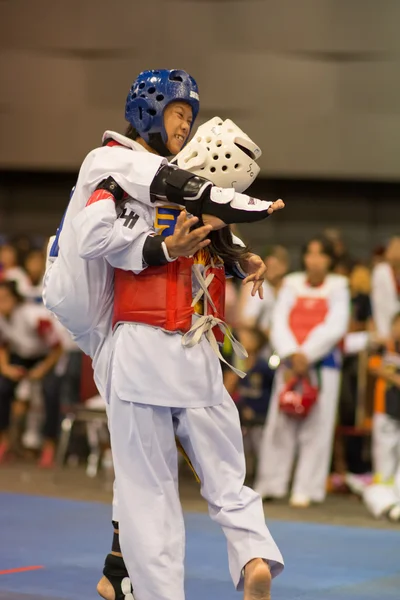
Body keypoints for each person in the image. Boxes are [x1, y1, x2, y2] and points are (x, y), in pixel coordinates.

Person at [44, 69, 284, 600]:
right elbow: (96, 235)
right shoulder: (110, 162)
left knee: (143, 486)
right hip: (146, 333)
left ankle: (134, 581)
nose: (185, 123)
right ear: (148, 111)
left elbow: (172, 224)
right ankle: (250, 553)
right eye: (178, 112)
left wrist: (232, 256)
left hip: (136, 338)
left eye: (190, 117)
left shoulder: (159, 183)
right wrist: (232, 246)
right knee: (220, 472)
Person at [254, 236, 350, 507]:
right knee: (279, 424)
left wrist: (306, 354)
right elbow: (279, 320)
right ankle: (271, 483)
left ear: (330, 260)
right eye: (310, 254)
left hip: (321, 365)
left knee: (317, 428)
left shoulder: (339, 286)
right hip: (289, 361)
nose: (314, 260)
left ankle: (307, 488)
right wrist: (291, 353)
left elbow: (335, 325)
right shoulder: (292, 283)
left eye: (321, 255)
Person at [0, 281, 63, 464]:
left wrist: (41, 370)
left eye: (4, 299)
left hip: (47, 356)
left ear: (15, 299)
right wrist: (5, 368)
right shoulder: (2, 317)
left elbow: (57, 348)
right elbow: (3, 345)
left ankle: (49, 444)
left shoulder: (34, 317)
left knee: (50, 392)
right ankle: (4, 439)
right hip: (21, 356)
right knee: (2, 388)